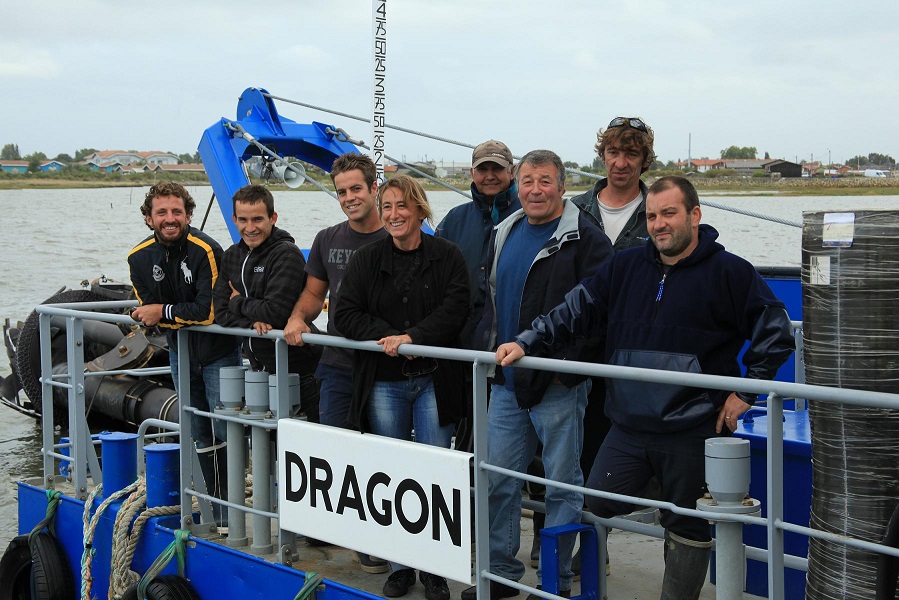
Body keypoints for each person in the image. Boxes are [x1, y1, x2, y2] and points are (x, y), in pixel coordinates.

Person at [496, 176, 795, 600]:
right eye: (652, 215)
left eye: (669, 213)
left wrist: (747, 390)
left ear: (695, 215)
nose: (658, 225)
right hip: (628, 425)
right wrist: (527, 341)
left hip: (693, 426)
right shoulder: (625, 266)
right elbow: (573, 311)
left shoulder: (731, 272)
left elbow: (776, 331)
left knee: (687, 523)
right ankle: (582, 590)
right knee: (595, 504)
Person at [463, 150, 613, 600]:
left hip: (555, 386)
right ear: (516, 184)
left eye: (544, 181)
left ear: (562, 187)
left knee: (561, 487)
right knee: (497, 480)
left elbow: (600, 313)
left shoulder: (585, 238)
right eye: (527, 181)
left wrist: (562, 374)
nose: (534, 190)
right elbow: (487, 300)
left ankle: (557, 583)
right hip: (506, 383)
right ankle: (502, 574)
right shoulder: (504, 231)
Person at [333, 175, 469, 600]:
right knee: (390, 474)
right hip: (385, 383)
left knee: (434, 476)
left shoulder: (447, 256)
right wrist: (391, 338)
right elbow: (345, 313)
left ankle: (434, 571)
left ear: (420, 210)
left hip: (434, 381)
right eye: (386, 206)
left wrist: (416, 338)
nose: (393, 214)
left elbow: (457, 308)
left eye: (401, 206)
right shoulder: (368, 260)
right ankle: (399, 567)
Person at [281, 152, 390, 572]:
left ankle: (383, 538)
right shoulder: (328, 239)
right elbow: (313, 294)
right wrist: (296, 317)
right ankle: (357, 534)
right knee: (339, 451)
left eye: (356, 189)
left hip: (385, 367)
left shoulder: (395, 235)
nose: (349, 197)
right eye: (342, 191)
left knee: (382, 454)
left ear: (373, 188)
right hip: (339, 363)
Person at [128, 181, 241, 525]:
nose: (170, 218)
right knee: (198, 430)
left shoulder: (206, 249)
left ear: (189, 214)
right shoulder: (138, 257)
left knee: (227, 430)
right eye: (161, 212)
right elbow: (146, 308)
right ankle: (217, 512)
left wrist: (163, 312)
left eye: (177, 211)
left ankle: (235, 512)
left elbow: (209, 312)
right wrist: (163, 313)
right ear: (149, 218)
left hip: (218, 354)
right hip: (180, 353)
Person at [212, 184, 321, 421]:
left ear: (273, 218)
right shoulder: (232, 255)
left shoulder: (286, 254)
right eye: (243, 220)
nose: (250, 228)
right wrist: (251, 324)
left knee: (305, 441)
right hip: (259, 370)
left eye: (258, 219)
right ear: (234, 219)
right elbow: (220, 311)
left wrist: (238, 301)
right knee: (268, 441)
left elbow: (276, 313)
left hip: (300, 369)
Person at [435, 139, 520, 348]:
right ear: (473, 173)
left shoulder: (531, 217)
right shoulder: (453, 220)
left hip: (513, 343)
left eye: (497, 169)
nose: (489, 176)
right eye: (482, 169)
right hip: (461, 342)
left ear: (512, 171)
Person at [570, 116, 655, 251]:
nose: (621, 164)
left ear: (645, 160)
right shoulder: (574, 210)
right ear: (603, 156)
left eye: (631, 154)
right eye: (613, 153)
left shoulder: (658, 212)